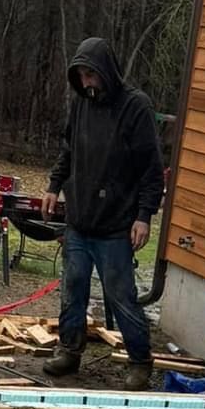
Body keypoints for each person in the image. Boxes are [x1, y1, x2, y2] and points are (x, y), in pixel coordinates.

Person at [41, 37, 165, 389]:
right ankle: (69, 350)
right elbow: (68, 150)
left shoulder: (135, 107)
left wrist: (144, 215)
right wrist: (53, 186)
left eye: (91, 76)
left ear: (106, 72)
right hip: (80, 220)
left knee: (121, 296)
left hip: (116, 225)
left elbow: (151, 169)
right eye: (81, 76)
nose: (87, 83)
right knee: (73, 286)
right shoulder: (80, 104)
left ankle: (140, 362)